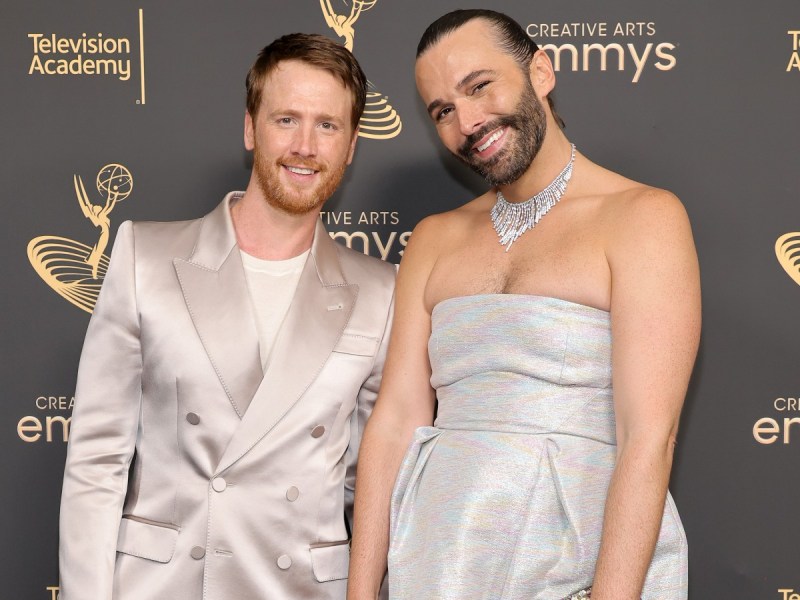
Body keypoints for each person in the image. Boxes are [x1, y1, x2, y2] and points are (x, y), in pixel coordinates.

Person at [347, 9, 699, 600]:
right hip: (441, 555)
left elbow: (648, 439)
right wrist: (360, 593)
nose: (468, 122)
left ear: (540, 71)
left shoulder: (643, 219)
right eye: (443, 111)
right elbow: (396, 422)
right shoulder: (433, 239)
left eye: (479, 86)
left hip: (576, 556)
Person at [59, 33, 395, 600]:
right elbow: (96, 462)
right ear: (250, 128)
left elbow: (375, 488)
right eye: (286, 120)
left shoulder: (381, 293)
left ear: (351, 146)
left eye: (327, 125)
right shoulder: (146, 258)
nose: (305, 146)